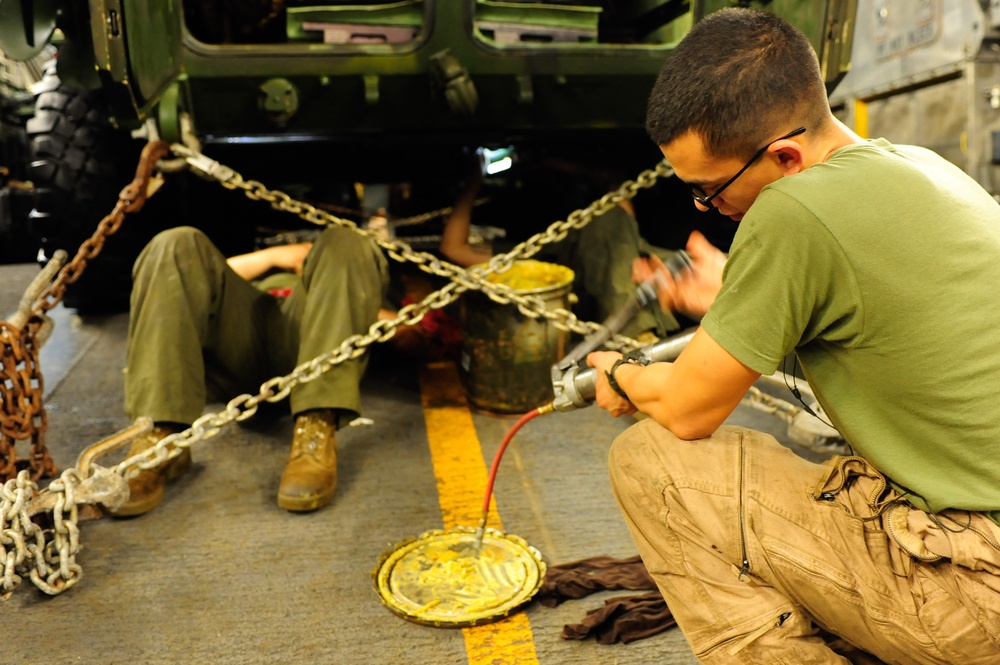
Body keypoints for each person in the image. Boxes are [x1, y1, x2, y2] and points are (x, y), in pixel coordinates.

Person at [586, 8, 1000, 663]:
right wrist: (732, 295)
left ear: (784, 155)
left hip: (974, 595)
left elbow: (689, 409)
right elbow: (871, 308)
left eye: (710, 191)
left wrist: (618, 375)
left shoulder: (790, 212)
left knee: (649, 461)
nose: (706, 208)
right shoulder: (920, 168)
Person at [117, 223, 390, 516]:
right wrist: (274, 257)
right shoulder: (249, 279)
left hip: (309, 345)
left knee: (347, 240)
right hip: (238, 342)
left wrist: (366, 309)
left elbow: (386, 324)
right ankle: (161, 435)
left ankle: (316, 427)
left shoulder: (342, 269)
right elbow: (190, 278)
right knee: (174, 243)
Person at [439, 158, 682, 342]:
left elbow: (620, 203)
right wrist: (474, 180)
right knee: (612, 227)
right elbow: (453, 249)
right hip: (604, 288)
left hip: (638, 259)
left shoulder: (611, 220)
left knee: (688, 265)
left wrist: (566, 165)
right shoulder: (532, 251)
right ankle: (641, 340)